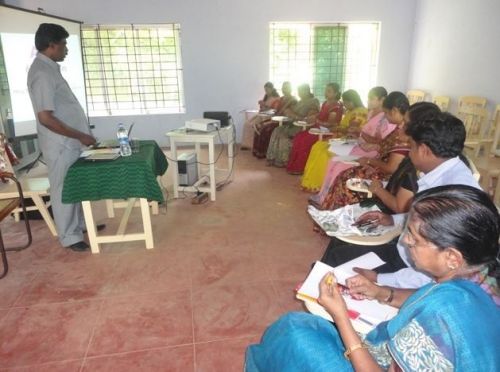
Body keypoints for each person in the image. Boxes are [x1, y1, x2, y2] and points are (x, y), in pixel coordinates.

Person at [245, 185, 500, 371]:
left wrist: (340, 315)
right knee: (307, 326)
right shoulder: (479, 278)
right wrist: (380, 292)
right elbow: (427, 294)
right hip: (387, 354)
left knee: (294, 333)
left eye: (414, 237)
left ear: (452, 257)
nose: (405, 240)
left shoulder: (442, 319)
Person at [321, 110, 480, 288]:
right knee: (338, 242)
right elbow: (428, 223)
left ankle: (332, 307)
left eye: (411, 147)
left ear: (424, 150)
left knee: (336, 260)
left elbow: (434, 275)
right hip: (407, 257)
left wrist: (379, 279)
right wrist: (393, 219)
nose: (409, 153)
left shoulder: (449, 196)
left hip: (409, 268)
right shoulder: (443, 172)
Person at [27, 24, 97, 251]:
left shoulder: (50, 68)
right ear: (51, 45)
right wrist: (80, 135)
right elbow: (45, 117)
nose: (66, 49)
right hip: (60, 144)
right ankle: (69, 236)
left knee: (74, 184)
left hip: (69, 142)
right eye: (64, 44)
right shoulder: (41, 72)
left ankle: (77, 226)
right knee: (63, 188)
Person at [315, 95, 414, 211]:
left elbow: (392, 168)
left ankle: (341, 214)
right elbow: (384, 147)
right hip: (379, 164)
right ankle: (330, 207)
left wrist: (369, 161)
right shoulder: (398, 129)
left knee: (346, 177)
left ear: (394, 111)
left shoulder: (403, 135)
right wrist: (374, 149)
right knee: (343, 172)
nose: (385, 117)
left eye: (386, 113)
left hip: (387, 176)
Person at [301, 89, 367, 192]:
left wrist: (337, 128)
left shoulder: (360, 112)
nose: (344, 105)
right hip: (341, 138)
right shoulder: (351, 111)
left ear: (351, 101)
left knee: (323, 153)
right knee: (317, 146)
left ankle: (319, 184)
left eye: (345, 102)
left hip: (351, 141)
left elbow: (351, 130)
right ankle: (311, 182)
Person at [286, 83, 343, 175]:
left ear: (336, 93)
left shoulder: (336, 106)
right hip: (317, 128)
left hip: (326, 131)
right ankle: (295, 167)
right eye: (326, 90)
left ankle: (300, 168)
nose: (326, 93)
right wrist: (313, 117)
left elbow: (331, 124)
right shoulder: (325, 103)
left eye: (329, 91)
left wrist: (317, 121)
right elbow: (320, 115)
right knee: (299, 137)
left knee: (305, 141)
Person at [266, 84, 319, 167]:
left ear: (307, 91)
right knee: (277, 130)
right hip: (293, 124)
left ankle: (284, 161)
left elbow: (309, 118)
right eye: (298, 91)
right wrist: (289, 113)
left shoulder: (313, 101)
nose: (299, 93)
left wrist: (293, 115)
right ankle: (272, 158)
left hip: (303, 127)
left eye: (301, 91)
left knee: (283, 135)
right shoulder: (300, 101)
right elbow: (292, 113)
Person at [252, 82, 297, 158]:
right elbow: (275, 110)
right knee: (258, 125)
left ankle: (263, 152)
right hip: (276, 118)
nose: (284, 89)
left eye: (286, 88)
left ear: (290, 89)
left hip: (285, 122)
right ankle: (257, 151)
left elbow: (291, 114)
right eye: (283, 88)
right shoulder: (281, 99)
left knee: (266, 129)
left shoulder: (293, 100)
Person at [241, 82, 281, 150]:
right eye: (265, 90)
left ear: (272, 89)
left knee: (252, 125)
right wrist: (261, 104)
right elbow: (263, 108)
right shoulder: (266, 96)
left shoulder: (276, 98)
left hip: (268, 117)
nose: (266, 91)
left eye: (267, 90)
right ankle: (246, 145)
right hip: (262, 114)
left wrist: (264, 105)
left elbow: (274, 110)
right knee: (247, 124)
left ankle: (252, 145)